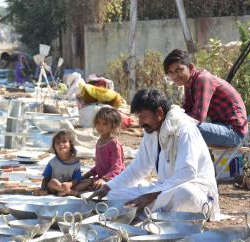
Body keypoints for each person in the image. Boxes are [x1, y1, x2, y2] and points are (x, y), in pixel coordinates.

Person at [90, 88, 219, 219]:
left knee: (184, 193)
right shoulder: (151, 132)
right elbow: (137, 169)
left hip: (195, 192)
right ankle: (150, 212)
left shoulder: (185, 129)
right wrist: (108, 186)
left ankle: (148, 212)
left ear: (159, 112)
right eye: (138, 117)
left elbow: (188, 172)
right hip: (162, 190)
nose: (140, 123)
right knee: (112, 195)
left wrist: (152, 195)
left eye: (143, 117)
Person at [163, 49, 248, 147]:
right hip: (222, 128)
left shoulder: (202, 79)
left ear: (190, 67)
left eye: (179, 70)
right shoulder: (188, 83)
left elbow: (197, 117)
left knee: (187, 129)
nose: (175, 76)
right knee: (173, 128)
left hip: (234, 133)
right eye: (171, 73)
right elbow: (186, 112)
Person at [83, 107, 125, 189]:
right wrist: (88, 174)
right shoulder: (99, 141)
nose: (100, 127)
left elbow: (117, 168)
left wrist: (104, 179)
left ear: (113, 125)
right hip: (101, 178)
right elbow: (99, 165)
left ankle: (75, 193)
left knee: (88, 186)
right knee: (82, 182)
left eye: (104, 124)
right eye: (98, 123)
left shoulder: (113, 144)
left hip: (114, 179)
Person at [37, 130, 89, 196]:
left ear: (71, 145)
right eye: (58, 143)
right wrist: (43, 189)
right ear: (54, 148)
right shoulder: (52, 162)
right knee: (52, 182)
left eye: (64, 141)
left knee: (88, 181)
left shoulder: (75, 162)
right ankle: (70, 192)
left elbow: (77, 179)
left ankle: (64, 192)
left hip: (70, 185)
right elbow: (46, 178)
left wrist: (70, 184)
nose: (61, 144)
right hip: (55, 187)